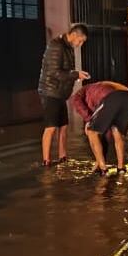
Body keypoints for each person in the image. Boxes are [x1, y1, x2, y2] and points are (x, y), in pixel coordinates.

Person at [37, 24, 90, 167]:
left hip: (60, 93)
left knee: (64, 126)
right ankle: (46, 160)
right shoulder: (56, 46)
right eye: (81, 40)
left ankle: (63, 157)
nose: (80, 44)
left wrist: (76, 75)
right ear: (74, 35)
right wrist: (75, 74)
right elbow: (55, 72)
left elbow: (65, 71)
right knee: (51, 127)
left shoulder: (68, 48)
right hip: (50, 91)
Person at [71, 80, 128, 175]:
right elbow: (105, 131)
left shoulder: (79, 95)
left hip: (113, 97)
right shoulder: (101, 85)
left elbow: (81, 108)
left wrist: (89, 121)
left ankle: (102, 169)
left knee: (91, 131)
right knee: (117, 131)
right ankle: (121, 168)